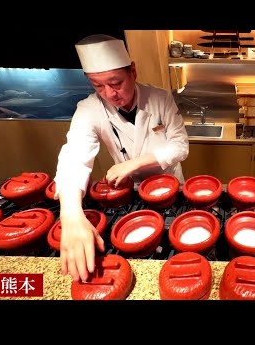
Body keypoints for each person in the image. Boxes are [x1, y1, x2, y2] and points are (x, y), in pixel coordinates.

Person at [53, 34, 189, 281]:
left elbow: (180, 147)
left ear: (133, 72)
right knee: (137, 242)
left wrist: (135, 163)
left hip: (170, 185)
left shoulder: (160, 98)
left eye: (116, 82)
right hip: (129, 190)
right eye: (98, 85)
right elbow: (74, 156)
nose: (109, 93)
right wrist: (71, 216)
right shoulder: (89, 109)